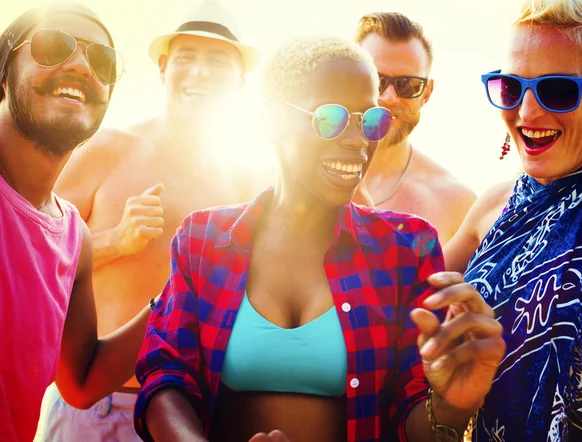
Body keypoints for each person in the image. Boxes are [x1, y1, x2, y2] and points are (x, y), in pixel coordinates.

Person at [133, 34, 505, 442]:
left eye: (371, 120)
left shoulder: (408, 249)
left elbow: (416, 422)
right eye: (331, 118)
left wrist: (451, 403)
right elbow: (166, 374)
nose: (357, 139)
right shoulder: (204, 240)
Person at [36, 2, 263, 441]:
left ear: (240, 81)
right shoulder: (105, 149)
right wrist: (116, 241)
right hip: (94, 407)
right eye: (186, 58)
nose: (200, 73)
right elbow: (30, 257)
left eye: (217, 61)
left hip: (192, 412)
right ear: (163, 68)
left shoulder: (250, 182)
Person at [436, 0, 582, 439]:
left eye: (558, 90)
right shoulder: (493, 206)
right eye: (511, 87)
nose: (526, 114)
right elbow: (405, 306)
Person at [0, 3, 158, 442]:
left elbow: (82, 382)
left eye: (102, 60)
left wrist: (182, 286)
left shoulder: (74, 236)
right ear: (3, 74)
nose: (81, 66)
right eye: (53, 46)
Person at [354, 12, 476, 245]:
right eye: (375, 80)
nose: (389, 97)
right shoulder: (289, 178)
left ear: (426, 94)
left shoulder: (457, 206)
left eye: (408, 85)